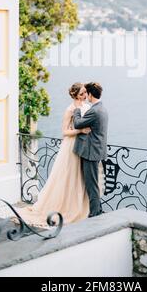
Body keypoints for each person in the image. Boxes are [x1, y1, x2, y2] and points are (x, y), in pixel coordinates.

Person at [15, 83, 93, 227]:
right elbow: (64, 132)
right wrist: (80, 131)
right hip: (70, 146)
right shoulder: (70, 110)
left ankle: (80, 205)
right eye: (82, 93)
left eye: (85, 93)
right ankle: (67, 208)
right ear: (75, 95)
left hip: (84, 146)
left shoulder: (87, 107)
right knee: (69, 176)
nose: (85, 96)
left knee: (80, 177)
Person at [73, 82, 108, 217]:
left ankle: (95, 214)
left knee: (91, 184)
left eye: (86, 93)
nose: (85, 96)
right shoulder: (102, 108)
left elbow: (77, 124)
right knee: (94, 182)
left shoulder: (94, 110)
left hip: (91, 152)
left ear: (90, 94)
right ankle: (97, 209)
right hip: (98, 150)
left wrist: (77, 110)